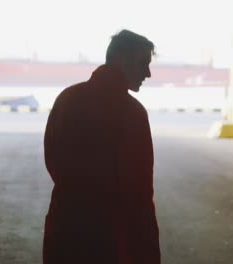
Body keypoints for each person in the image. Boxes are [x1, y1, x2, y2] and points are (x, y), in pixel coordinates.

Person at [43, 29, 160, 264]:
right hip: (115, 237)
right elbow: (140, 190)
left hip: (66, 226)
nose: (148, 73)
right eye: (143, 64)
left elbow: (53, 160)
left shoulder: (66, 99)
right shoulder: (133, 114)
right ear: (122, 60)